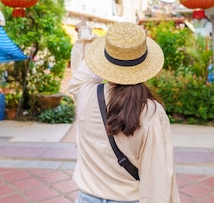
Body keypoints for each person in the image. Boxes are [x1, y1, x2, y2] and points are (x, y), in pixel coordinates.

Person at [68, 21, 180, 203]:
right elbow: (158, 177)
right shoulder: (150, 111)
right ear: (144, 64)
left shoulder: (85, 93)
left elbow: (84, 69)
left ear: (105, 61)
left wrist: (85, 34)